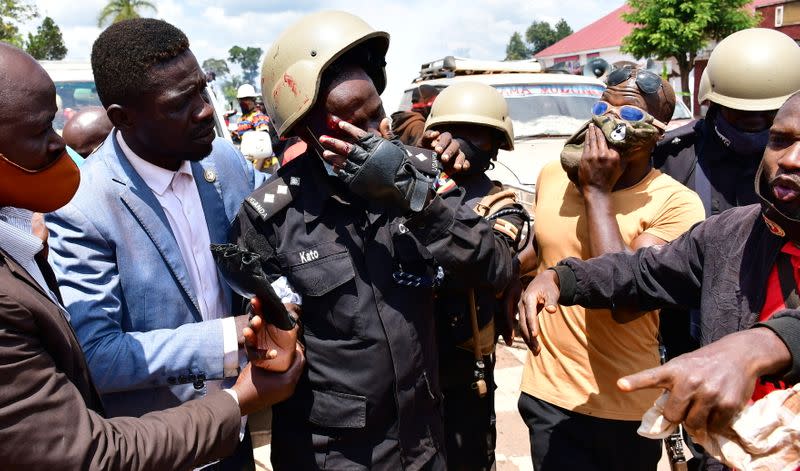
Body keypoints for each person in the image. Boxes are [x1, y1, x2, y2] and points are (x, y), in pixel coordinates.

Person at [0, 41, 304, 471]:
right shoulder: (82, 206)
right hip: (152, 448)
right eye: (180, 103)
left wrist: (279, 302)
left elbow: (273, 230)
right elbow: (99, 354)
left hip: (234, 437)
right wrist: (232, 337)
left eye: (202, 90)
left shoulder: (221, 160)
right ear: (123, 118)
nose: (204, 111)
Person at [230, 11, 514, 470]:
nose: (374, 132)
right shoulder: (270, 217)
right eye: (350, 122)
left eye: (377, 113)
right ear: (309, 130)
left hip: (425, 442)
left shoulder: (419, 175)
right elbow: (270, 337)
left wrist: (415, 200)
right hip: (334, 456)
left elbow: (497, 266)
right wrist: (275, 346)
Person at [520, 91, 800, 470]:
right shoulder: (731, 233)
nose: (790, 159)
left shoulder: (675, 200)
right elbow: (644, 270)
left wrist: (754, 348)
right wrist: (564, 277)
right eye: (780, 140)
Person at [514, 66, 706, 470]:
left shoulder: (677, 203)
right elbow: (544, 244)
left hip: (622, 405)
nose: (608, 119)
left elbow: (625, 297)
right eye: (603, 105)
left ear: (657, 131)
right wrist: (506, 273)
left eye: (630, 114)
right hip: (549, 392)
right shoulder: (554, 175)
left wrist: (597, 191)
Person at [421, 82, 528, 471]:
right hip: (408, 361)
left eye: (476, 133)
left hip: (464, 368)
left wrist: (435, 198)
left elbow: (493, 266)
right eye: (453, 130)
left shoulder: (501, 204)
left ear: (495, 145)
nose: (460, 142)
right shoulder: (411, 183)